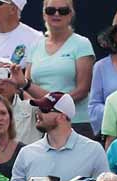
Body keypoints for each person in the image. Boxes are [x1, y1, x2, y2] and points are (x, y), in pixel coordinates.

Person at [7, 92, 108, 181]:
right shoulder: (27, 152)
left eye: (44, 110)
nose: (38, 113)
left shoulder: (93, 150)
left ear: (62, 116)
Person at [23, 0, 92, 132]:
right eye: (50, 10)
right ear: (44, 14)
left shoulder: (82, 43)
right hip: (41, 122)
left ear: (70, 15)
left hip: (74, 122)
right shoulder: (35, 46)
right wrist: (43, 110)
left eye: (63, 11)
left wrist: (55, 108)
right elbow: (27, 86)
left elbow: (83, 89)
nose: (56, 14)